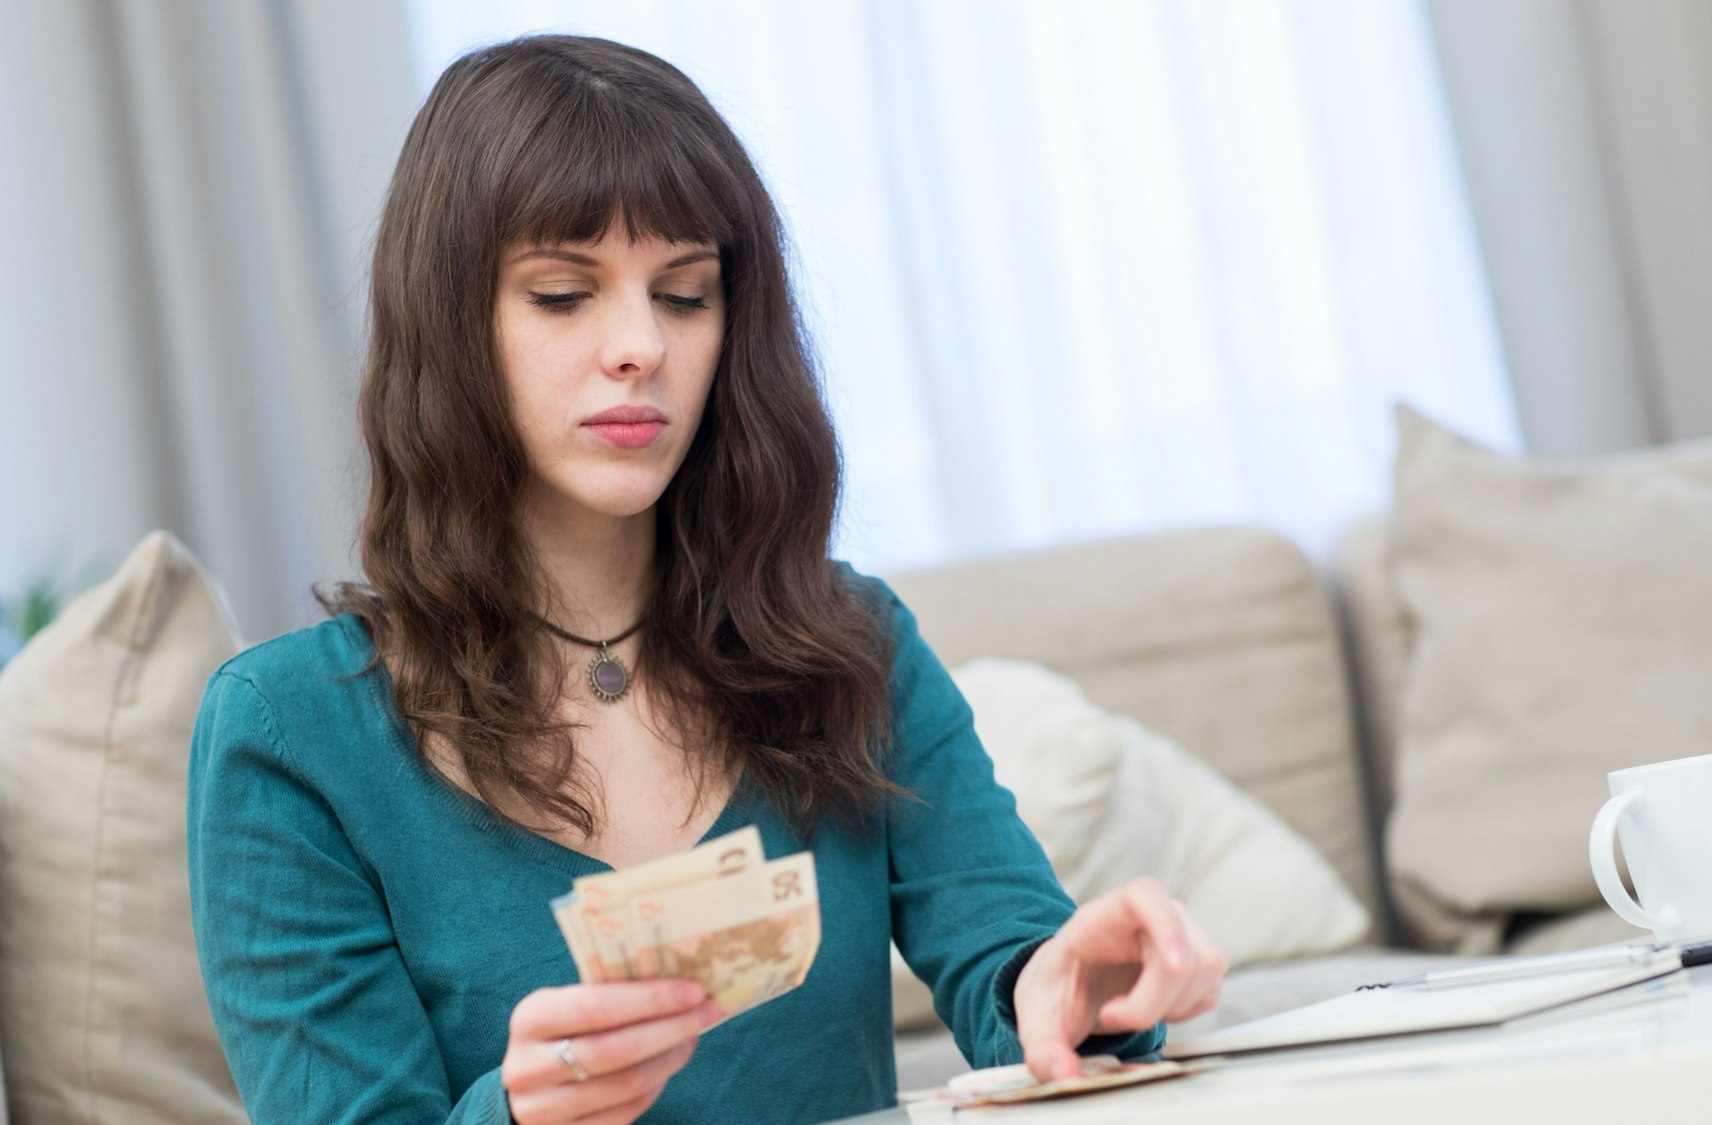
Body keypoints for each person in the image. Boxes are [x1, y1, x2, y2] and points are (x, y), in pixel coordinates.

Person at [185, 32, 1226, 1125]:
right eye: (560, 294)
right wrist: (519, 1114)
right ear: (451, 326)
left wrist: (1074, 986)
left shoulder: (851, 642)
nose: (640, 345)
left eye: (684, 295)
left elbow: (1007, 962)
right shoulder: (289, 733)